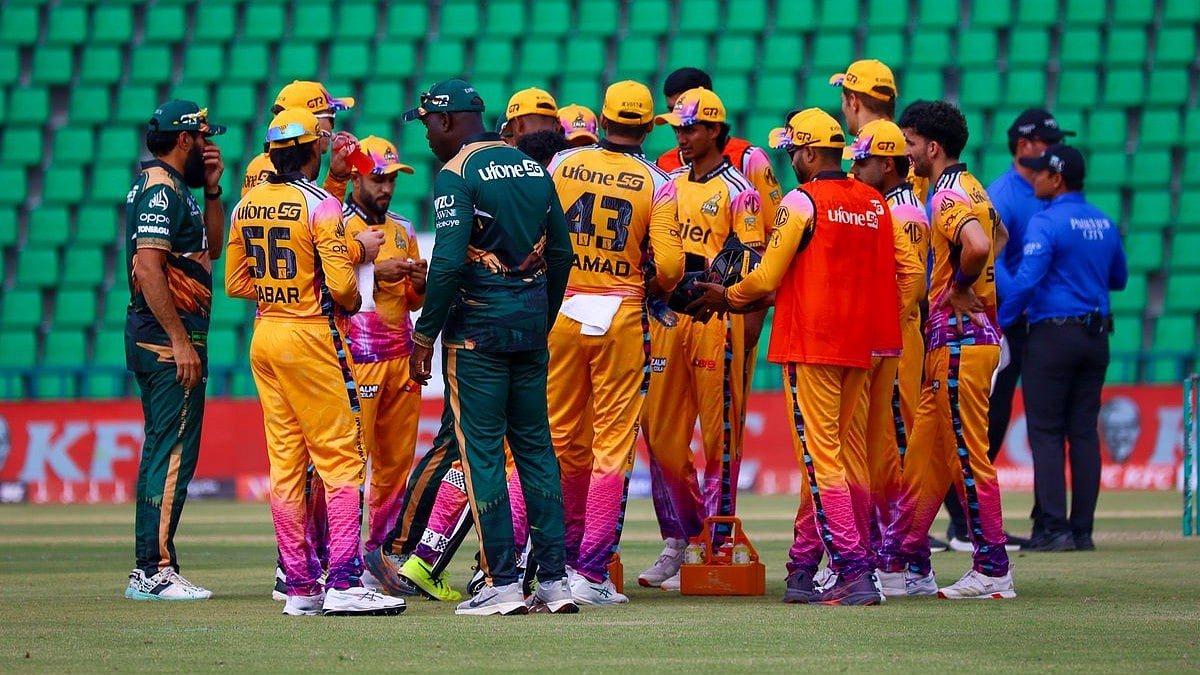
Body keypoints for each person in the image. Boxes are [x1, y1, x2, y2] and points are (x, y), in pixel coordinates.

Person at [690, 108, 900, 606]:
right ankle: (803, 569)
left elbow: (766, 278)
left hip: (812, 344)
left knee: (820, 459)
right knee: (830, 460)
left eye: (792, 153)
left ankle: (854, 570)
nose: (790, 162)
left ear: (809, 153)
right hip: (861, 344)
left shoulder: (802, 202)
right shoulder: (873, 202)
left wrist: (727, 297)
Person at [402, 78, 577, 615]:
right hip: (528, 331)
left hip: (476, 335)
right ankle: (553, 582)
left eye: (429, 122)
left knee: (481, 457)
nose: (427, 134)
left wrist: (424, 333)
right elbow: (563, 256)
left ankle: (502, 583)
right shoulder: (532, 168)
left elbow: (451, 263)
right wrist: (540, 320)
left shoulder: (455, 174)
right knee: (537, 452)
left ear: (449, 120)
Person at [225, 108, 406, 617]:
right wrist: (348, 276)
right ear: (311, 151)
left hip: (266, 334)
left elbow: (236, 284)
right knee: (342, 460)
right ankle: (345, 582)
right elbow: (345, 287)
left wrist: (280, 289)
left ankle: (301, 586)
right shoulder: (322, 206)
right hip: (312, 335)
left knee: (285, 466)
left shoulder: (248, 202)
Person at [546, 80, 685, 604]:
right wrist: (651, 282)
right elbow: (670, 268)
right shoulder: (660, 182)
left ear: (602, 122)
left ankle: (545, 560)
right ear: (650, 127)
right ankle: (592, 573)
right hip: (622, 313)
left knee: (556, 439)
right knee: (612, 446)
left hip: (562, 310)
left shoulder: (560, 165)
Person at [877, 101, 1016, 600]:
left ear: (931, 147)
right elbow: (999, 232)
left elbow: (979, 244)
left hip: (962, 341)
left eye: (910, 143)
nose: (906, 152)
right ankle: (900, 562)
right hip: (958, 341)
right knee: (924, 460)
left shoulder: (947, 196)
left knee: (964, 454)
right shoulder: (972, 185)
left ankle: (993, 568)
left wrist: (960, 285)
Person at [637, 87, 764, 592]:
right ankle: (683, 536)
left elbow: (749, 259)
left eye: (690, 129)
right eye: (676, 129)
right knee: (660, 432)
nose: (681, 138)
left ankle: (719, 544)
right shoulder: (666, 183)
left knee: (721, 437)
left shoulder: (741, 191)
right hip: (670, 321)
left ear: (714, 130)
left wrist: (704, 279)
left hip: (716, 321)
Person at [998, 144, 1127, 552]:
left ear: (1056, 179)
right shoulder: (1104, 222)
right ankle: (1082, 530)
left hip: (1053, 335)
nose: (1032, 177)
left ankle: (1053, 529)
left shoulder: (1046, 222)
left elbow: (1026, 283)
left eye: (1039, 173)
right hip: (1096, 335)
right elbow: (1119, 278)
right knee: (1084, 432)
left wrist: (999, 323)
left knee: (1047, 432)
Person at [123, 100, 226, 602]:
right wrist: (181, 341)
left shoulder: (174, 188)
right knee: (171, 455)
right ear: (186, 139)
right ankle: (153, 570)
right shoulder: (161, 189)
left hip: (168, 338)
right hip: (168, 342)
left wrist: (211, 190)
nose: (209, 146)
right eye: (204, 137)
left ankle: (155, 565)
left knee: (164, 451)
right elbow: (147, 268)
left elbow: (213, 245)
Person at [979, 109, 1077, 550]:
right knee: (991, 418)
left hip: (1033, 323)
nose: (1054, 150)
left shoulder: (1044, 190)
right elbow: (988, 262)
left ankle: (983, 520)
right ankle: (967, 521)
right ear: (1024, 146)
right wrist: (1011, 307)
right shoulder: (1002, 193)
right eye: (1048, 142)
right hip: (1008, 322)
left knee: (1016, 420)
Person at [844, 119, 928, 589]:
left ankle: (908, 562)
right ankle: (889, 556)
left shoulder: (904, 212)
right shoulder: (881, 203)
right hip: (885, 340)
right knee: (877, 453)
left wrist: (883, 324)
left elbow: (912, 282)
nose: (856, 167)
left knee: (892, 451)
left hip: (896, 342)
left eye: (865, 160)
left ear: (890, 164)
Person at [338, 136, 427, 566]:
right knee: (351, 462)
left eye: (391, 178)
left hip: (401, 359)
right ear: (355, 176)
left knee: (395, 465)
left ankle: (381, 555)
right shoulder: (335, 224)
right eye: (378, 178)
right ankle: (339, 558)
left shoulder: (404, 229)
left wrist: (421, 282)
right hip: (356, 358)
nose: (386, 188)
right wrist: (374, 269)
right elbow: (329, 290)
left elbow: (412, 301)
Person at [241, 80, 363, 201]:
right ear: (308, 119)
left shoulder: (285, 165)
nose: (333, 127)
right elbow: (319, 217)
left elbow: (317, 215)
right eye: (331, 118)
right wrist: (337, 180)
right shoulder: (277, 170)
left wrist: (337, 178)